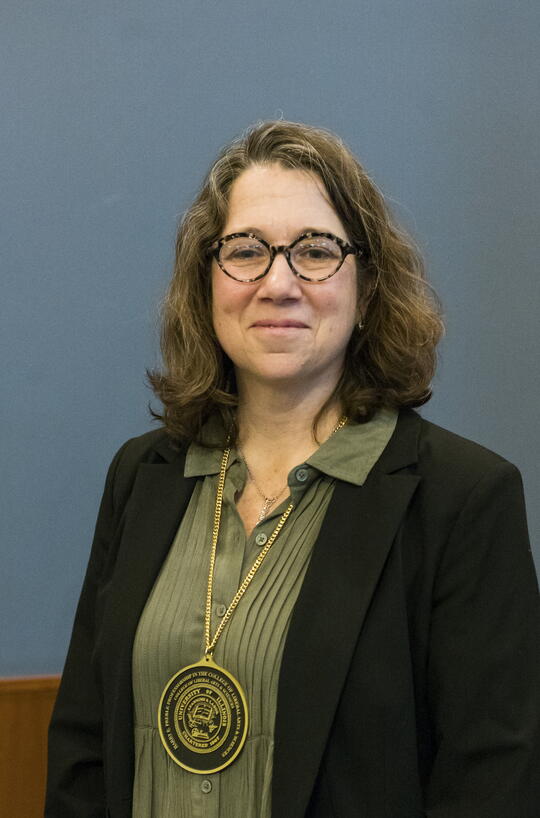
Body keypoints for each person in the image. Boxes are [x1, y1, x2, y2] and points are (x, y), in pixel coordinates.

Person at [46, 120, 540, 818]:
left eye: (315, 251)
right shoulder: (143, 476)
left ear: (366, 289)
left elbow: (492, 785)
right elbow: (84, 748)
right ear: (207, 284)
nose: (278, 283)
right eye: (246, 251)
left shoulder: (463, 499)